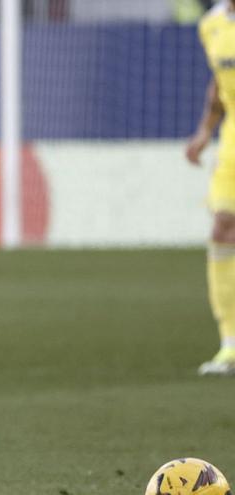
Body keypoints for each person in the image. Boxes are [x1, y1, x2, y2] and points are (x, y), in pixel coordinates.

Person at [187, 0, 235, 377]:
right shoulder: (212, 24)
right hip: (233, 139)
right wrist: (206, 130)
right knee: (222, 226)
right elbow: (219, 84)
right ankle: (230, 343)